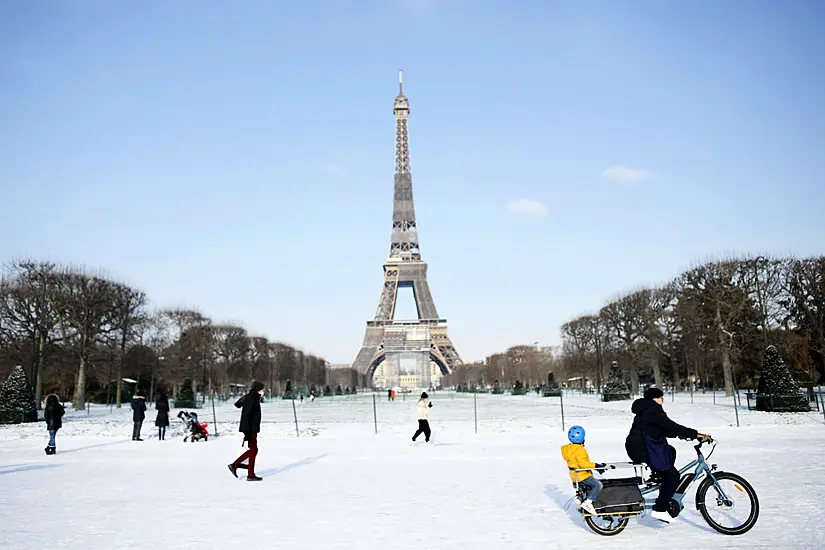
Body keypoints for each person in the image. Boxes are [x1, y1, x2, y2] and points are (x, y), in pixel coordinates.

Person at [625, 387, 710, 524]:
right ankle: (660, 509)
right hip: (642, 450)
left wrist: (682, 434)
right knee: (673, 476)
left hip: (639, 447)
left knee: (670, 451)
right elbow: (672, 427)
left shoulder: (647, 410)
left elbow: (664, 429)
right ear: (654, 399)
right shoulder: (652, 411)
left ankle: (659, 476)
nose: (662, 400)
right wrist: (696, 434)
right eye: (660, 398)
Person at [561, 425, 607, 515]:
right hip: (582, 476)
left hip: (575, 477)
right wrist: (597, 466)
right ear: (582, 438)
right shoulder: (579, 450)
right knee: (598, 485)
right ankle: (588, 502)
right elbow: (583, 464)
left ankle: (581, 499)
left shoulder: (569, 449)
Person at [228, 381, 264, 481]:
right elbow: (247, 415)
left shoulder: (250, 396)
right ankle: (238, 467)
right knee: (253, 450)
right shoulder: (252, 398)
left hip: (251, 428)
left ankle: (247, 471)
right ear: (258, 389)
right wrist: (247, 432)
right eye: (261, 389)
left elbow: (238, 404)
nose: (262, 391)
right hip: (250, 428)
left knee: (253, 450)